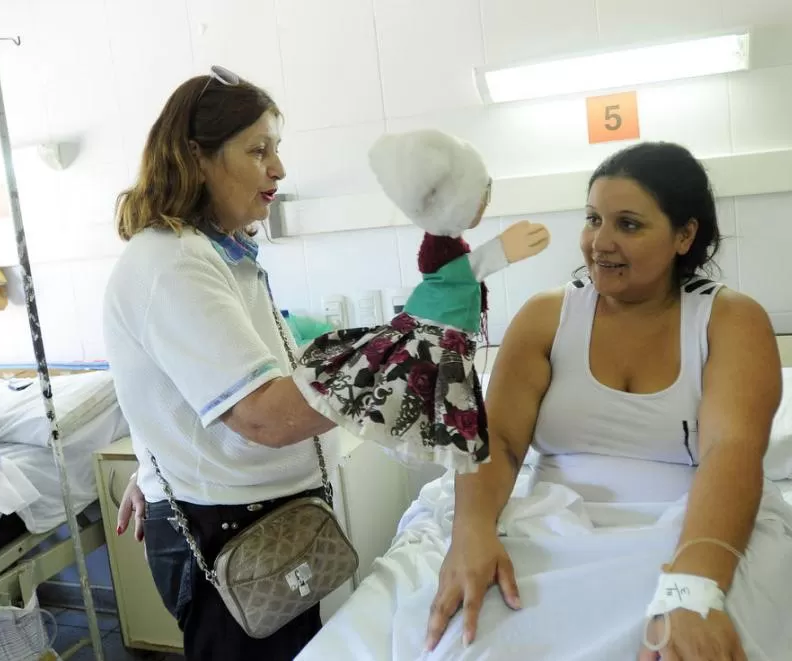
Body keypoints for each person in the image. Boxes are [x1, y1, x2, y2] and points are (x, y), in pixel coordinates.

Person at [423, 141, 783, 661]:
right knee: (475, 638)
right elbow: (496, 440)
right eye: (593, 219)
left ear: (684, 235)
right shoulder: (546, 318)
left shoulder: (730, 322)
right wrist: (472, 531)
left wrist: (693, 587)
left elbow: (732, 452)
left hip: (690, 534)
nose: (599, 243)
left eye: (628, 225)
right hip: (553, 530)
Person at [104, 66, 339, 660]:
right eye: (258, 151)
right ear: (197, 159)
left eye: (276, 150)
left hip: (255, 519)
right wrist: (383, 378)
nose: (278, 169)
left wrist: (150, 464)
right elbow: (266, 417)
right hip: (227, 530)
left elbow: (177, 386)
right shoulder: (174, 262)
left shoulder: (221, 253)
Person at [292, 129, 550, 474]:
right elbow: (453, 273)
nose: (486, 202)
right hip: (432, 331)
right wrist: (501, 251)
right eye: (482, 194)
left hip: (442, 329)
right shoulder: (438, 249)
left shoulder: (447, 241)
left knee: (430, 393)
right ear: (456, 202)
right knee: (419, 391)